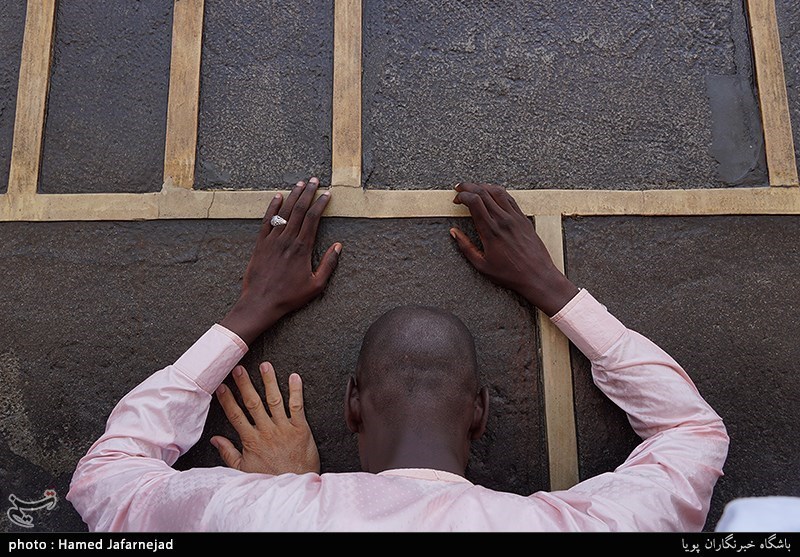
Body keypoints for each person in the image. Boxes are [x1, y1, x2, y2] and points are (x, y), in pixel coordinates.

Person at [67, 179, 729, 531]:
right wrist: (551, 289)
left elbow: (106, 479)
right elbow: (692, 434)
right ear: (480, 411)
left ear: (352, 402)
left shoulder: (257, 513)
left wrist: (251, 312)